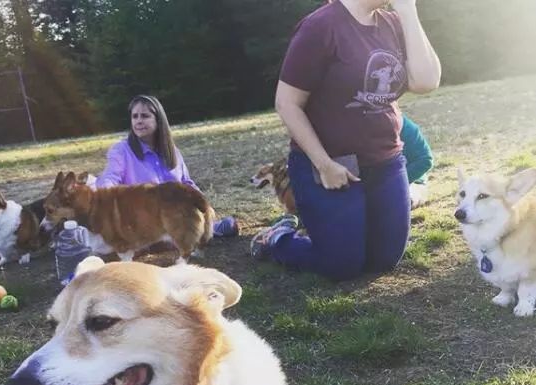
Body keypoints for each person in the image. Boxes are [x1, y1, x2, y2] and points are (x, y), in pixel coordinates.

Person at [251, 0, 441, 280]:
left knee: (384, 259)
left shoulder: (394, 22)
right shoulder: (321, 27)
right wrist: (324, 164)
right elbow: (287, 103)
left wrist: (408, 10)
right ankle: (277, 241)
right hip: (330, 166)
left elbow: (426, 81)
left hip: (385, 162)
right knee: (341, 265)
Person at [97, 94, 238, 237]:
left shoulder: (172, 151)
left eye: (145, 116)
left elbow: (186, 183)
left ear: (158, 119)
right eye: (135, 116)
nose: (138, 121)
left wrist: (205, 207)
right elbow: (109, 178)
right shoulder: (121, 150)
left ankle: (206, 229)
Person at [401, 114, 433, 208]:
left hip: (413, 182)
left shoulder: (404, 124)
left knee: (404, 200)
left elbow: (425, 160)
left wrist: (396, 181)